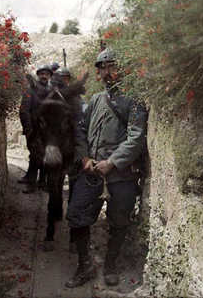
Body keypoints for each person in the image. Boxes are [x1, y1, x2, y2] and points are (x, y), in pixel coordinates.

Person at [65, 48, 148, 288]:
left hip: (121, 175)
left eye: (113, 67)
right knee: (77, 215)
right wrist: (84, 158)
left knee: (119, 221)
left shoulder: (134, 101)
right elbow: (80, 131)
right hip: (91, 172)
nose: (108, 72)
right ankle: (85, 265)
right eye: (103, 68)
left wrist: (112, 162)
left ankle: (110, 264)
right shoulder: (95, 100)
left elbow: (136, 136)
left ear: (122, 69)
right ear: (98, 72)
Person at [18, 64, 53, 193]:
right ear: (38, 75)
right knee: (35, 156)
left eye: (47, 74)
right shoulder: (30, 90)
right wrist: (28, 130)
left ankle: (42, 183)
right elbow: (24, 111)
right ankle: (31, 184)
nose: (44, 76)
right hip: (34, 131)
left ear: (49, 76)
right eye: (42, 73)